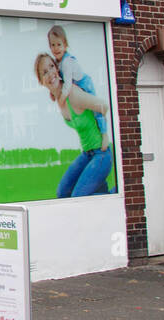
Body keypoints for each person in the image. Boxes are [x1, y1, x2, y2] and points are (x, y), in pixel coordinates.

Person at [34, 53, 113, 197]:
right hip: (87, 154)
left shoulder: (72, 94)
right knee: (62, 193)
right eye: (44, 72)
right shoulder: (59, 98)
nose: (50, 73)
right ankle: (103, 193)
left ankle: (117, 193)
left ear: (57, 68)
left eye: (51, 66)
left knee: (78, 198)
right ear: (41, 81)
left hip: (101, 154)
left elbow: (103, 105)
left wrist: (105, 134)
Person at [47, 25, 105, 133]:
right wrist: (52, 92)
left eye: (59, 44)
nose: (56, 48)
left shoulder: (67, 62)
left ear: (65, 45)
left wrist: (61, 99)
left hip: (84, 84)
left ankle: (103, 132)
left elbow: (67, 84)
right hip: (75, 87)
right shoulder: (56, 62)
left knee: (95, 107)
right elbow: (57, 80)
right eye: (52, 45)